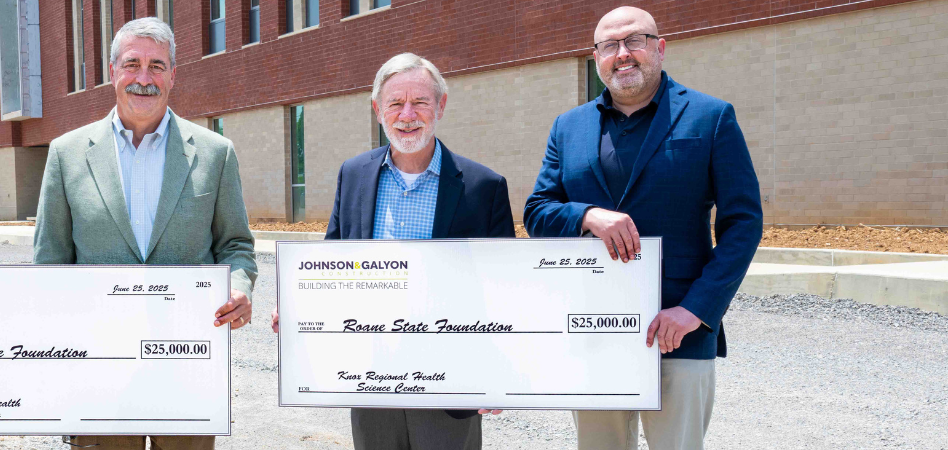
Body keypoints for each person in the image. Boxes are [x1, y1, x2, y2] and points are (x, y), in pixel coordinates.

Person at [523, 7, 763, 450]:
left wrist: (697, 311)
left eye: (634, 41)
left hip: (678, 331)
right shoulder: (568, 127)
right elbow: (537, 211)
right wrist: (586, 215)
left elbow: (744, 223)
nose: (623, 54)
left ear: (660, 47)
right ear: (597, 58)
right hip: (595, 327)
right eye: (610, 46)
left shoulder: (710, 117)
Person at [32, 17, 256, 450]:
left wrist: (240, 286)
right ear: (113, 72)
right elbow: (50, 263)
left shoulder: (215, 153)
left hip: (189, 362)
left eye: (157, 66)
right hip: (99, 367)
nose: (143, 78)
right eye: (132, 64)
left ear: (173, 75)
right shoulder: (66, 153)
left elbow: (236, 244)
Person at [272, 53, 514, 449]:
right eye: (395, 103)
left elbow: (503, 289)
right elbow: (332, 262)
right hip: (371, 377)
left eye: (420, 102)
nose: (407, 114)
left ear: (441, 106)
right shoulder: (353, 175)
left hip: (451, 383)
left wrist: (494, 370)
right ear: (377, 110)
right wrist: (299, 304)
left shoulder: (483, 186)